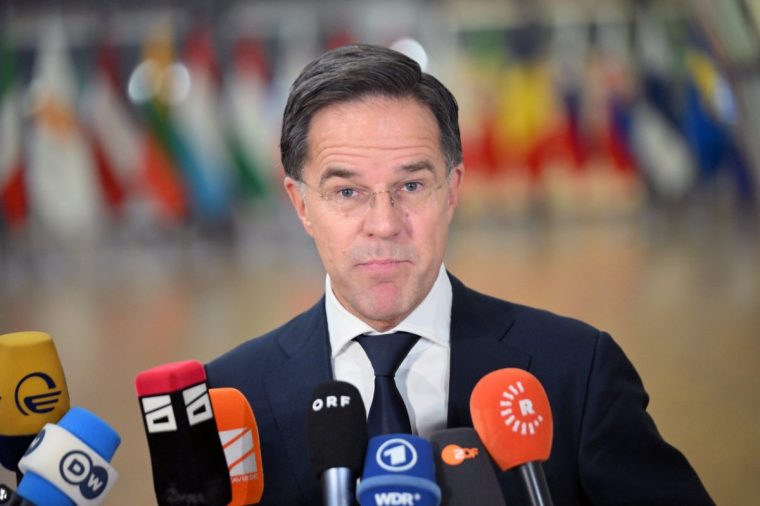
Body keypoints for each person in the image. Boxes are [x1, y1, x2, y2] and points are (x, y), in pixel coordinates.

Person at [206, 44, 713, 505]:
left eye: (411, 185)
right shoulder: (231, 397)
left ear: (452, 191)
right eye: (347, 192)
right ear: (301, 205)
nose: (384, 225)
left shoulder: (576, 371)